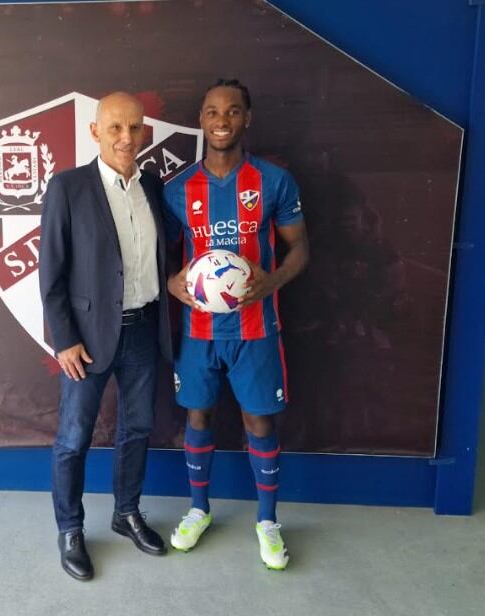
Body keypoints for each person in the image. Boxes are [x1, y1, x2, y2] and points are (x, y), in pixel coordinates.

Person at [162, 79, 309, 570]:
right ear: (201, 121)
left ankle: (267, 521)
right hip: (198, 333)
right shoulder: (177, 190)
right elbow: (159, 258)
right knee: (197, 417)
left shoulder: (273, 181)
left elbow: (300, 250)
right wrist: (171, 283)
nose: (221, 120)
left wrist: (272, 283)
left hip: (256, 330)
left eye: (231, 111)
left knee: (258, 421)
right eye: (211, 112)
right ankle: (198, 510)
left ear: (247, 118)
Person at [39, 92, 173, 581]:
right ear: (95, 132)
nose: (125, 137)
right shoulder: (68, 187)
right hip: (88, 340)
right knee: (73, 439)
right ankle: (71, 529)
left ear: (145, 133)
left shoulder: (155, 187)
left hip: (144, 331)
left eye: (134, 128)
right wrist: (64, 340)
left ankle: (126, 513)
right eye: (114, 127)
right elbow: (50, 275)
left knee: (137, 430)